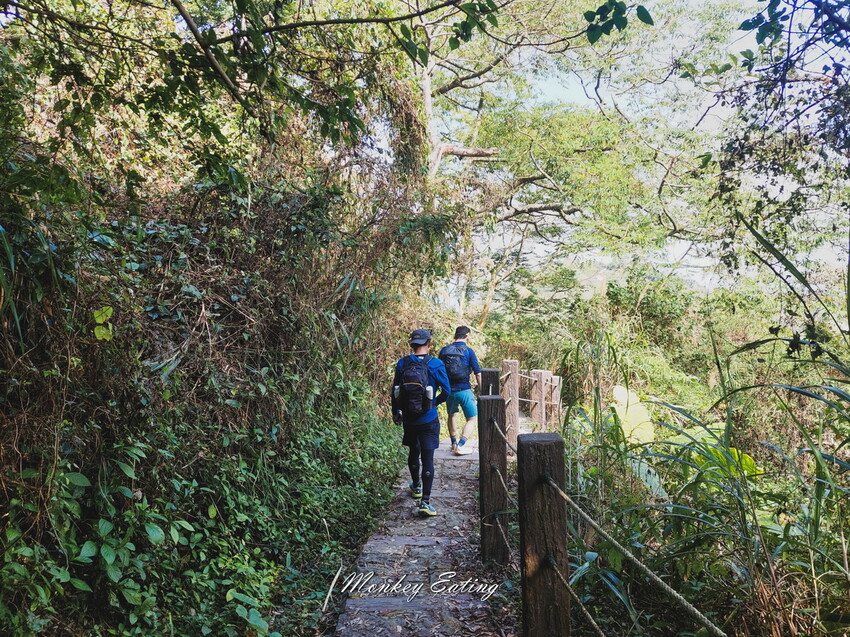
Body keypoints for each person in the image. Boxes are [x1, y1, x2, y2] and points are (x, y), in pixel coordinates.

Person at [391, 329, 451, 517]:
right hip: (428, 418)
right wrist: (433, 403)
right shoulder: (436, 364)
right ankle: (425, 501)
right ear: (429, 343)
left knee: (413, 451)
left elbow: (395, 391)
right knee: (427, 459)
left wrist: (397, 412)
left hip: (409, 418)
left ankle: (415, 486)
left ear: (412, 344)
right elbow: (447, 391)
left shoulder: (403, 363)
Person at [438, 326, 482, 456]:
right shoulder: (469, 351)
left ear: (454, 336)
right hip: (464, 390)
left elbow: (438, 370)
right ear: (467, 337)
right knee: (472, 419)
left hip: (449, 391)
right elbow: (478, 373)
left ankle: (453, 443)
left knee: (452, 415)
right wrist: (482, 391)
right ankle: (461, 444)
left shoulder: (444, 350)